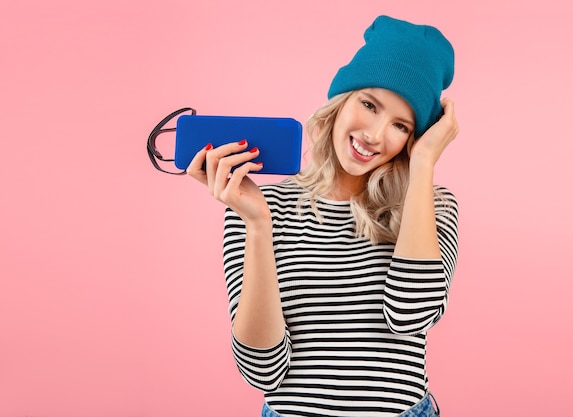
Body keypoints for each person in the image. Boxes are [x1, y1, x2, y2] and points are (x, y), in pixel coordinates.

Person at [187, 15, 459, 417]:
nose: (374, 135)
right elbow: (263, 372)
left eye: (401, 125)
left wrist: (422, 165)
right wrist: (259, 225)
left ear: (415, 138)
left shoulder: (432, 204)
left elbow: (410, 315)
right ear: (340, 101)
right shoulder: (261, 206)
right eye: (369, 104)